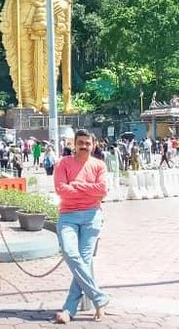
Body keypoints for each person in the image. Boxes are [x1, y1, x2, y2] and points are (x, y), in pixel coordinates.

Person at [53, 129, 109, 324]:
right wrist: (89, 191)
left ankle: (68, 310)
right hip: (67, 216)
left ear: (93, 145)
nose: (84, 146)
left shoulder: (99, 165)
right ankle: (99, 298)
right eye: (80, 143)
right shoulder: (63, 163)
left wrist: (76, 185)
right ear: (74, 144)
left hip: (92, 217)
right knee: (70, 253)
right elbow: (62, 190)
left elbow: (102, 190)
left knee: (83, 262)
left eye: (87, 143)